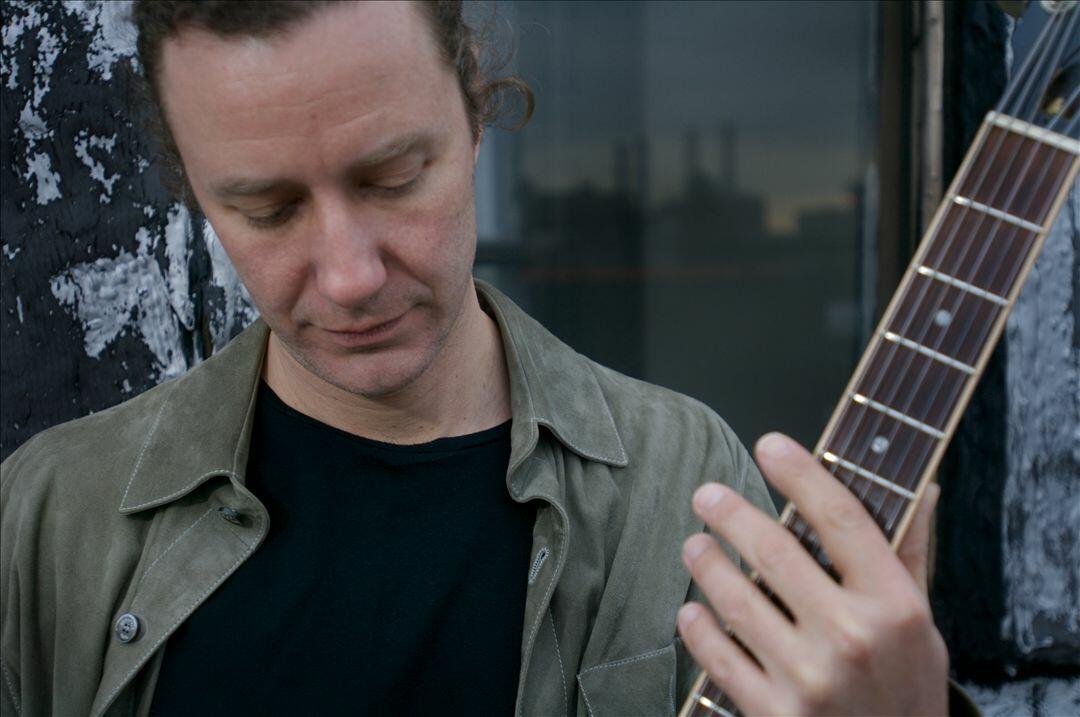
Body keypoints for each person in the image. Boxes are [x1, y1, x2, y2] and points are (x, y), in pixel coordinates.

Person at [1, 2, 964, 715]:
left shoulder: (686, 478)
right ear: (191, 185)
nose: (349, 276)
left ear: (475, 108)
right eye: (268, 209)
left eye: (393, 177)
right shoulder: (49, 515)